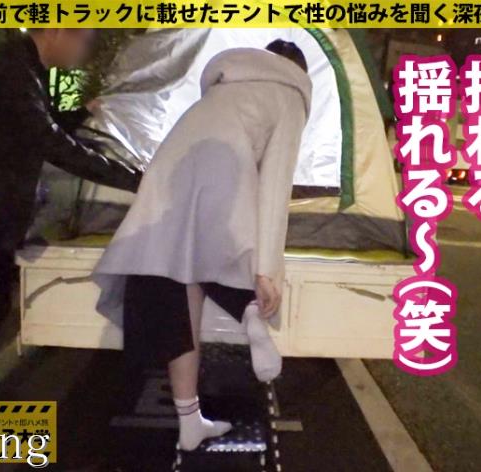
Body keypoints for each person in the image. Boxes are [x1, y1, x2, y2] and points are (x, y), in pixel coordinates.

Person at [92, 40, 311, 451]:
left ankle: (190, 422)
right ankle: (251, 310)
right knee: (226, 235)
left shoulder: (227, 84)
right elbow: (275, 187)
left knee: (179, 290)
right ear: (299, 71)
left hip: (170, 169)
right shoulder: (291, 93)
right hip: (224, 173)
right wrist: (266, 271)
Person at [0, 29, 141, 400]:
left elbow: (35, 127)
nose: (85, 53)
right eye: (85, 41)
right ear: (58, 32)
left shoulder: (20, 68)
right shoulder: (9, 69)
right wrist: (136, 180)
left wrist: (80, 114)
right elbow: (48, 140)